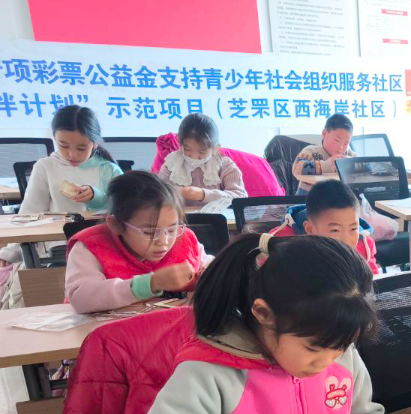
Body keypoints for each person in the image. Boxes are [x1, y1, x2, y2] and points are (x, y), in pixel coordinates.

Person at [113, 233, 396, 414]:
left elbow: (360, 410)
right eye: (313, 349)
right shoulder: (208, 374)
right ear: (263, 313)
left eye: (342, 346)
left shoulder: (335, 346)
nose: (327, 362)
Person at [65, 171, 210, 313]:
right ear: (116, 225)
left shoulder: (185, 239)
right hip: (107, 327)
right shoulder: (91, 246)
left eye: (172, 229)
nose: (163, 241)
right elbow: (81, 299)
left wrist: (210, 274)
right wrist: (151, 284)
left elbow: (208, 265)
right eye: (149, 232)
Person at [18, 105, 123, 215]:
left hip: (99, 226)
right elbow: (30, 213)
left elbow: (125, 210)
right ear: (55, 139)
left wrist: (95, 197)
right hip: (57, 226)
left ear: (95, 144)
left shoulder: (109, 169)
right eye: (63, 145)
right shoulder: (45, 166)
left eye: (81, 148)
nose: (72, 155)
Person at [269, 179, 380, 275]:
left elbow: (372, 282)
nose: (346, 240)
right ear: (310, 229)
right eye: (335, 230)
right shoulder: (282, 243)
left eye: (353, 229)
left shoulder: (364, 245)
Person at [157, 113, 247, 211]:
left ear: (215, 148)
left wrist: (202, 194)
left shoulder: (224, 165)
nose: (194, 156)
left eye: (202, 151)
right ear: (180, 144)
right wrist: (171, 193)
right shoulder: (172, 164)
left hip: (216, 218)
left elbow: (240, 198)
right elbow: (158, 195)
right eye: (187, 149)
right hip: (180, 218)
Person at [291, 113, 355, 195]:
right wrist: (328, 165)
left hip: (337, 199)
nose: (341, 147)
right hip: (309, 199)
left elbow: (366, 166)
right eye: (337, 140)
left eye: (346, 143)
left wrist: (350, 163)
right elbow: (296, 169)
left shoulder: (348, 154)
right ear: (324, 134)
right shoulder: (311, 152)